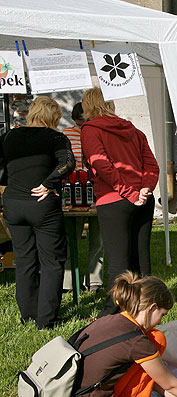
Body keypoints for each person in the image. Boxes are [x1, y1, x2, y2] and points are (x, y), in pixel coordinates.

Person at [80, 88, 159, 317]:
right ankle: (146, 308)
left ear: (88, 105)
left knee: (118, 261)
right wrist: (144, 189)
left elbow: (101, 165)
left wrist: (130, 192)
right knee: (140, 259)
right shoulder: (133, 130)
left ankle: (110, 314)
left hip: (115, 199)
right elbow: (151, 166)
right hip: (141, 198)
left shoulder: (90, 129)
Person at [0, 96, 74, 329]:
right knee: (52, 261)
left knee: (24, 260)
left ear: (32, 112)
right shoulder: (55, 137)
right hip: (41, 204)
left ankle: (28, 315)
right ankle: (46, 319)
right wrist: (49, 183)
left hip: (13, 202)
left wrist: (10, 182)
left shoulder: (10, 136)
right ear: (53, 116)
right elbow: (68, 163)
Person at [62, 102, 105, 294]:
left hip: (97, 187)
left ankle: (94, 280)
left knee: (98, 238)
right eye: (79, 124)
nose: (82, 126)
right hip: (73, 188)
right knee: (71, 238)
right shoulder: (66, 134)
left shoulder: (99, 132)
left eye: (85, 122)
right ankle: (68, 282)